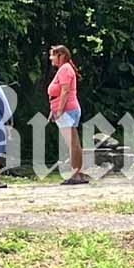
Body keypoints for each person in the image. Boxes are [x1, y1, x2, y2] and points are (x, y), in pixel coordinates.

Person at [47, 45, 88, 185]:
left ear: (61, 56)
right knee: (74, 143)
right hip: (69, 109)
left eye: (53, 55)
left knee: (72, 144)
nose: (51, 58)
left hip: (67, 110)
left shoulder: (64, 69)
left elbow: (65, 91)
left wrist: (59, 110)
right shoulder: (65, 69)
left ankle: (75, 174)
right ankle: (78, 173)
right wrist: (53, 110)